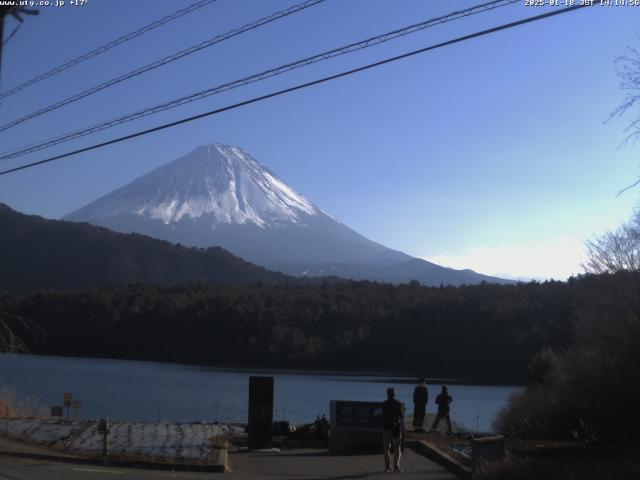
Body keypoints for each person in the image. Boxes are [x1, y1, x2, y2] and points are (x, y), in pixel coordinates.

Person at [382, 387, 404, 473]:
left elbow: (383, 416)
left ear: (387, 394)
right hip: (395, 429)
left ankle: (387, 467)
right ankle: (396, 467)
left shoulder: (384, 404)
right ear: (394, 394)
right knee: (397, 449)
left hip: (386, 428)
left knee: (386, 449)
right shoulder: (398, 404)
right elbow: (401, 416)